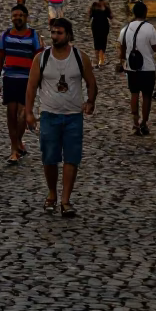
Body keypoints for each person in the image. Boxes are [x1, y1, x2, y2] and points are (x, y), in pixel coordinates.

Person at [25, 18, 97, 217]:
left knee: (71, 159)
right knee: (49, 158)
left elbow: (91, 82)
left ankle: (65, 200)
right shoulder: (42, 58)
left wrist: (90, 101)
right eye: (53, 32)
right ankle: (51, 193)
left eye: (59, 33)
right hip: (49, 115)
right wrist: (29, 112)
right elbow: (31, 86)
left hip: (74, 116)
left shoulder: (80, 58)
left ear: (69, 35)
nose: (55, 37)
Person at [0, 5, 44, 163]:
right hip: (10, 78)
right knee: (11, 113)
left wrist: (40, 81)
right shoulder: (6, 35)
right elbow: (0, 59)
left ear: (26, 17)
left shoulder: (34, 36)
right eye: (14, 15)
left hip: (27, 80)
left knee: (23, 114)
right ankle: (14, 148)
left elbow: (39, 59)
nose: (17, 18)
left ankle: (17, 142)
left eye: (20, 15)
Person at [118, 0, 156, 135]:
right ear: (145, 13)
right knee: (146, 96)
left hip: (131, 68)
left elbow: (121, 50)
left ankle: (135, 122)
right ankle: (144, 123)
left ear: (133, 13)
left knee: (134, 94)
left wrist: (122, 61)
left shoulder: (125, 29)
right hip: (147, 68)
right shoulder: (149, 28)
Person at [87, 0, 112, 68]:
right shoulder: (106, 6)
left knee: (96, 42)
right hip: (104, 25)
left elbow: (89, 16)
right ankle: (101, 61)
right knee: (103, 43)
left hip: (95, 26)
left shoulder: (94, 6)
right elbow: (110, 16)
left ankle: (97, 60)